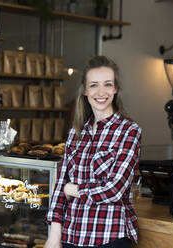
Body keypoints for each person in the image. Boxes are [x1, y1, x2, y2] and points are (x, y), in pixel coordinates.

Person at [44, 56, 142, 248]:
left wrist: (75, 189)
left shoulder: (129, 130)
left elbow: (115, 189)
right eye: (94, 85)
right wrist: (54, 235)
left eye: (107, 84)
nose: (101, 92)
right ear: (85, 91)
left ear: (115, 89)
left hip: (109, 236)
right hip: (71, 237)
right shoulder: (76, 132)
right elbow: (60, 186)